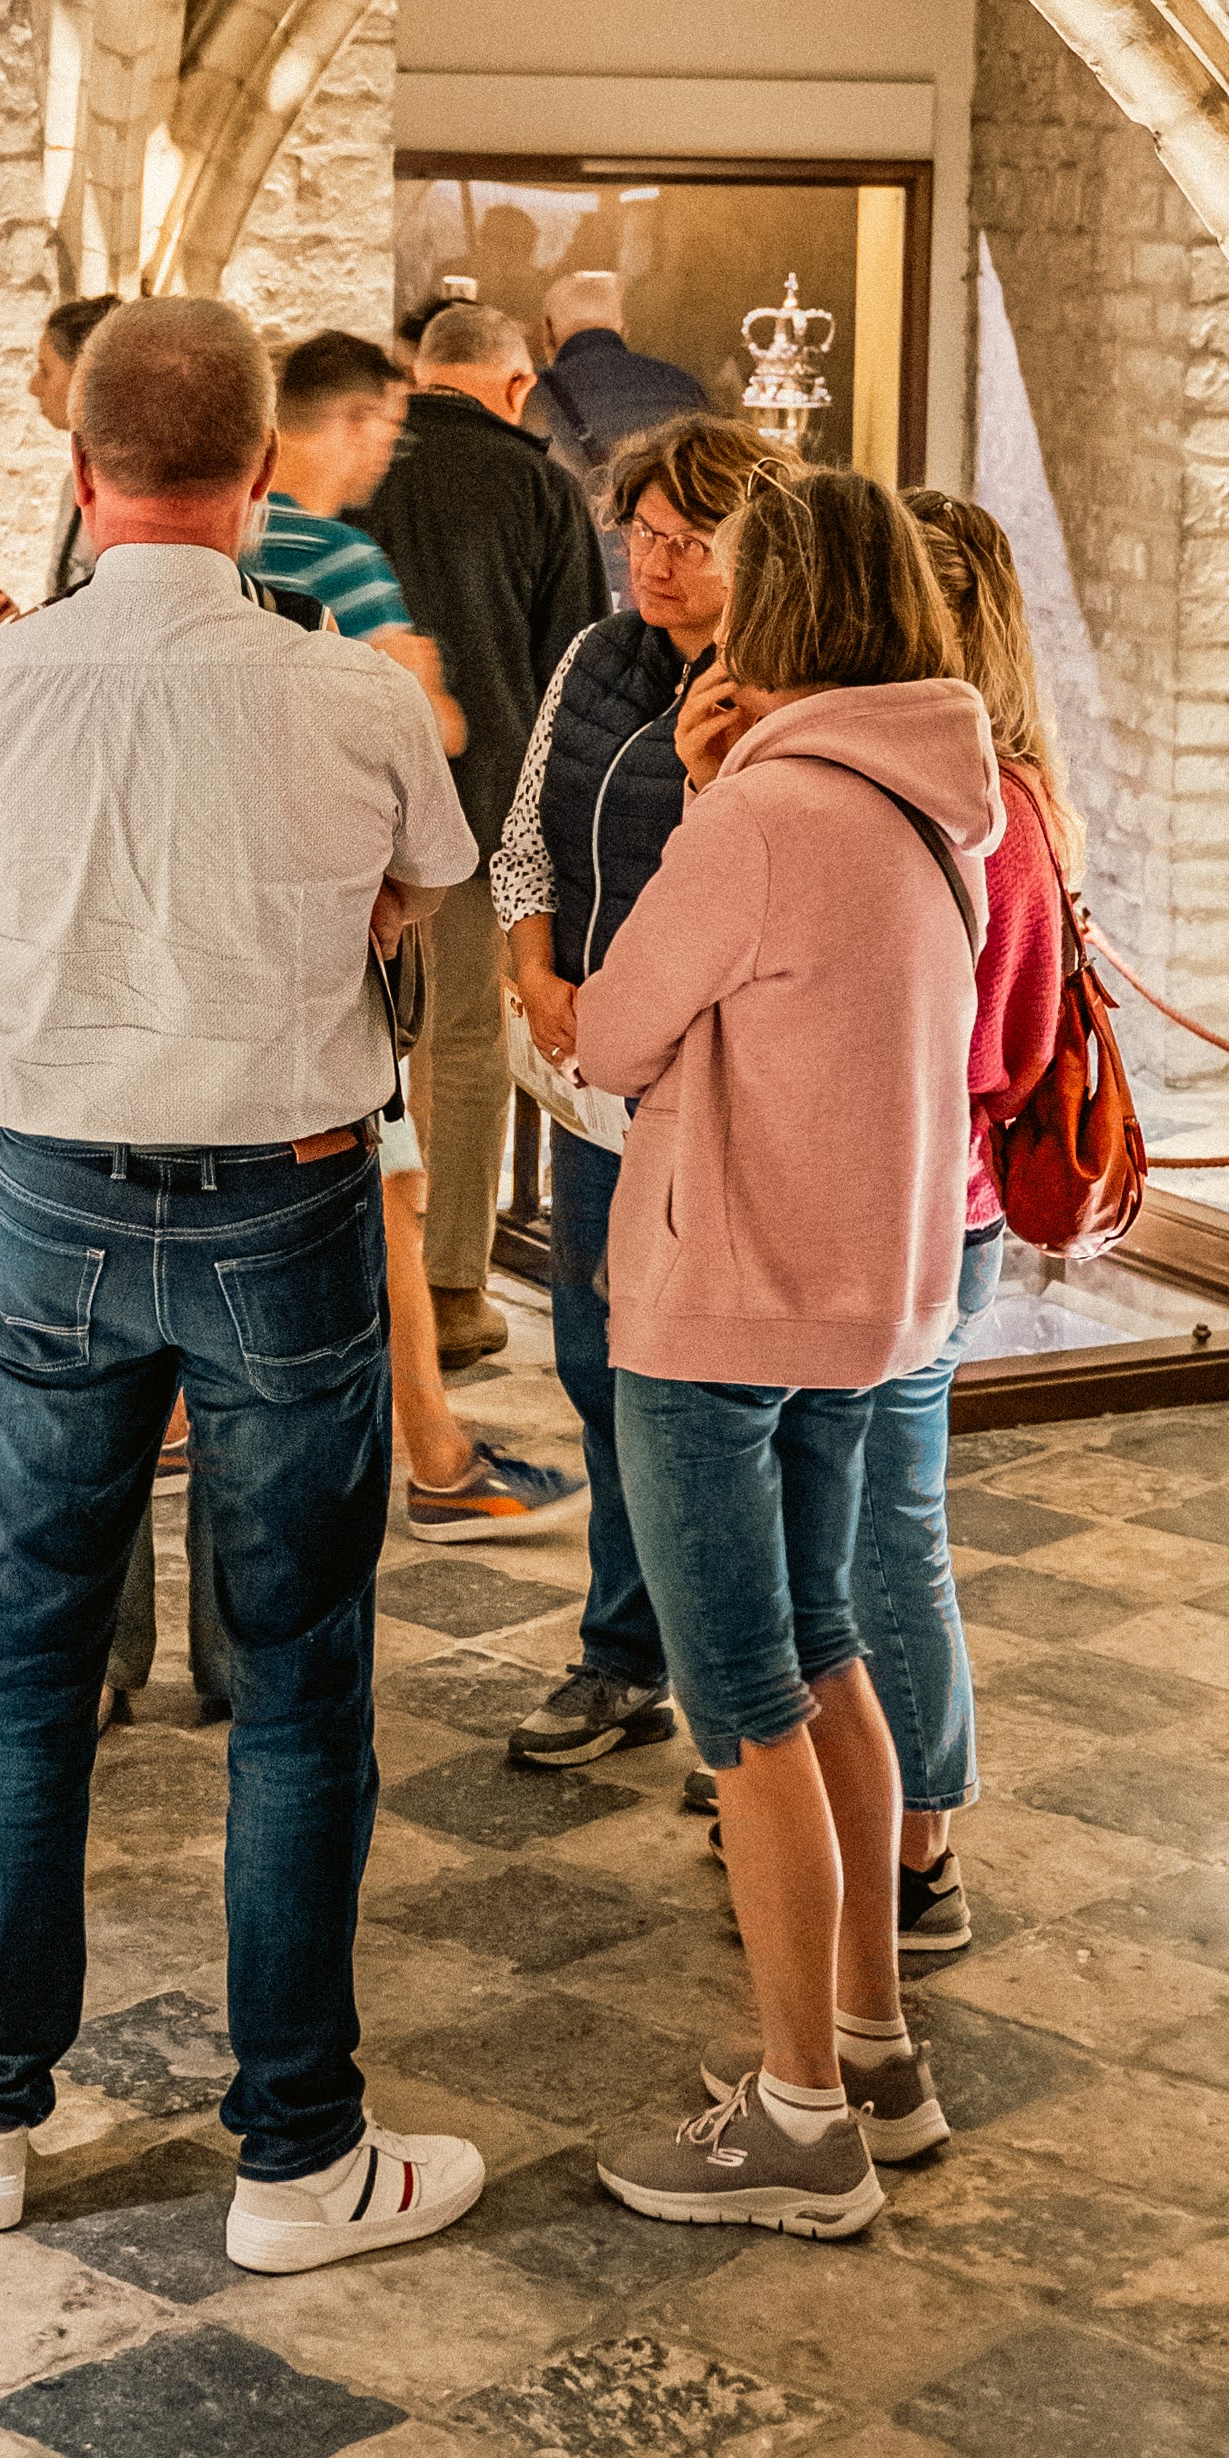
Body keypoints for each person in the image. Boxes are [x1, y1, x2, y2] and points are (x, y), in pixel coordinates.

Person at [0, 297, 489, 2273]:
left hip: (49, 1199)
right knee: (296, 1676)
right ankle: (291, 2154)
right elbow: (422, 879)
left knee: (27, 1654)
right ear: (250, 480)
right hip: (280, 1203)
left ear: (76, 473)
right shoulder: (343, 691)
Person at [575, 468, 997, 2234]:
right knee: (829, 1653)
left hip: (718, 1300)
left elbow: (606, 1031)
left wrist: (698, 801)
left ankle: (797, 2121)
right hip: (857, 1297)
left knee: (739, 1703)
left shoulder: (761, 814)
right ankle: (873, 2051)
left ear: (788, 611)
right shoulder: (940, 791)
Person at [490, 414, 788, 1770]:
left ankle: (743, 1691)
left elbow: (750, 884)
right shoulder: (595, 654)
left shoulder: (779, 689)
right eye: (639, 533)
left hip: (704, 1084)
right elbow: (520, 835)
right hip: (585, 1067)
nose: (650, 562)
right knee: (591, 1359)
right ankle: (626, 1653)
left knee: (698, 1386)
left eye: (684, 538)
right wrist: (537, 978)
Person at [259, 332, 577, 1541]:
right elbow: (427, 723)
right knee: (392, 1153)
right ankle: (431, 1447)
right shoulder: (334, 553)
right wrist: (423, 691)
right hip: (350, 909)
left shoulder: (187, 548)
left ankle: (427, 1441)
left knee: (367, 1169)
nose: (384, 453)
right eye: (375, 431)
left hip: (230, 933)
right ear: (334, 424)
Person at [875, 490, 1071, 1962]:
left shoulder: (977, 804)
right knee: (854, 1519)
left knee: (887, 1529)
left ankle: (920, 1836)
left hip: (915, 1206)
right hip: (918, 1204)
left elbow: (991, 1047)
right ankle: (850, 1788)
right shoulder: (980, 785)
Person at [357, 298, 609, 1364]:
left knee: (348, 1047)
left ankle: (352, 1284)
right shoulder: (541, 485)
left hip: (342, 813)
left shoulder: (352, 465)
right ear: (515, 388)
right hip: (476, 814)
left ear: (422, 373)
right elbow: (575, 672)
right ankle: (448, 1287)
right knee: (459, 1047)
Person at [0, 288, 121, 622]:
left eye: (45, 370)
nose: (33, 386)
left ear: (84, 376)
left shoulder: (128, 486)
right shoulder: (75, 479)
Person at [532, 269, 707, 517]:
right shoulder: (684, 386)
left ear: (546, 331)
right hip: (664, 544)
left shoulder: (529, 394)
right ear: (623, 329)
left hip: (579, 545)